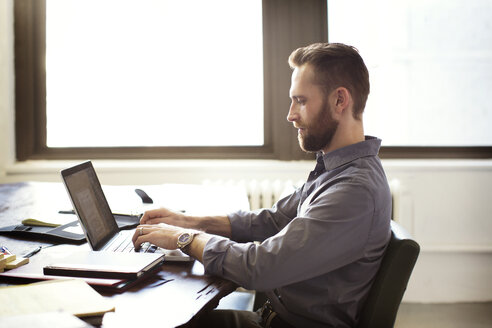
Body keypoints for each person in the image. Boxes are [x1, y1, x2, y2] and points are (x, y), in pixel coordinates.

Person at [132, 42, 392, 328]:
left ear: (340, 100)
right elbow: (274, 220)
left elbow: (259, 267)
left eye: (301, 101)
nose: (291, 115)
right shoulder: (336, 168)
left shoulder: (353, 191)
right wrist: (189, 221)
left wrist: (184, 239)